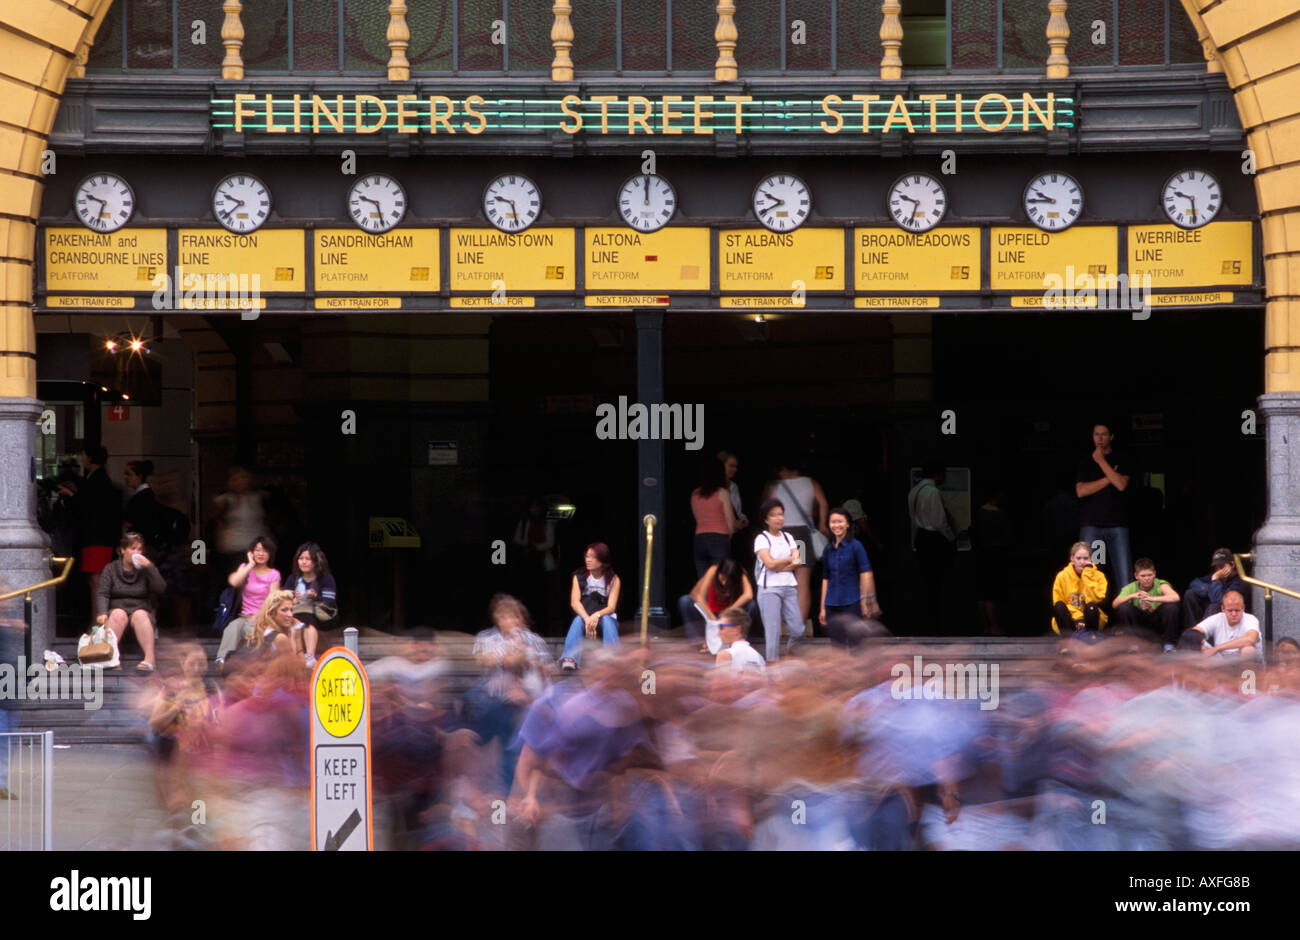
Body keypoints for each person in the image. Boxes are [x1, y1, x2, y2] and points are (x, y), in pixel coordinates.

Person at [467, 594, 555, 791]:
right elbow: (483, 662)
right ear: (497, 619)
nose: (511, 621)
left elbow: (549, 671)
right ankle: (505, 790)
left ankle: (521, 791)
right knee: (499, 721)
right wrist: (508, 653)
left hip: (529, 699)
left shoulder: (533, 640)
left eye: (515, 617)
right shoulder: (486, 638)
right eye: (505, 617)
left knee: (527, 734)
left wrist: (532, 660)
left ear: (522, 618)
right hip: (496, 698)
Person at [762, 461, 828, 626]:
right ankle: (798, 625)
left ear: (783, 467)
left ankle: (779, 624)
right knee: (803, 582)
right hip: (801, 535)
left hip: (780, 534)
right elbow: (823, 503)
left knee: (777, 578)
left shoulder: (775, 485)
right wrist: (821, 525)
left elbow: (767, 508)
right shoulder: (811, 482)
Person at [63, 444, 122, 614]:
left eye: (83, 456)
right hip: (97, 538)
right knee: (95, 580)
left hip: (97, 538)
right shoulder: (97, 479)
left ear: (90, 458)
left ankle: (98, 620)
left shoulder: (98, 480)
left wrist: (72, 496)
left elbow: (90, 506)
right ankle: (97, 619)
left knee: (97, 580)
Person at [96, 531, 165, 670]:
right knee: (118, 614)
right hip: (117, 609)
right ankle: (111, 658)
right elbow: (103, 593)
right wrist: (102, 612)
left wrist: (150, 567)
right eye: (133, 548)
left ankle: (150, 659)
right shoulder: (111, 569)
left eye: (139, 549)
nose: (137, 552)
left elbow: (160, 588)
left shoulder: (145, 570)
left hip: (140, 609)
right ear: (123, 550)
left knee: (140, 615)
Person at [1075, 423, 1131, 591]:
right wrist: (1109, 478)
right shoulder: (1085, 461)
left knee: (1124, 576)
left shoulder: (1121, 458)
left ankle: (1125, 614)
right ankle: (1094, 614)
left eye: (1104, 434)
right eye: (1096, 434)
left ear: (1111, 437)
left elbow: (1121, 485)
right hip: (1093, 526)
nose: (1099, 438)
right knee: (1091, 574)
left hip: (1117, 526)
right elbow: (1081, 491)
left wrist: (1100, 461)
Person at [215, 536, 281, 667]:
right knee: (232, 628)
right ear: (251, 552)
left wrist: (258, 616)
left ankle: (251, 663)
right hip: (244, 616)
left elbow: (273, 600)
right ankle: (221, 659)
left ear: (270, 554)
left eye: (264, 551)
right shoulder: (245, 567)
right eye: (257, 550)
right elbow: (234, 581)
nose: (261, 554)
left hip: (263, 617)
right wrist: (250, 565)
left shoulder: (274, 574)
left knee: (251, 630)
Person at [820, 507, 880, 648]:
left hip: (852, 602)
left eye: (840, 521)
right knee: (836, 647)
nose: (836, 525)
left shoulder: (856, 546)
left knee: (856, 645)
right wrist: (822, 607)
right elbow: (825, 579)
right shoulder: (828, 549)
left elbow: (866, 573)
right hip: (831, 604)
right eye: (833, 522)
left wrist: (866, 601)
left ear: (847, 524)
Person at [907, 461, 956, 635]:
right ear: (938, 474)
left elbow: (913, 519)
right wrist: (951, 537)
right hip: (934, 539)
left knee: (926, 582)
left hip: (921, 537)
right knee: (937, 582)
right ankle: (936, 624)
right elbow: (938, 521)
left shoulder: (914, 491)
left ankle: (926, 622)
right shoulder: (933, 492)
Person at [753, 498, 804, 663]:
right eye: (773, 515)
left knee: (798, 629)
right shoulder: (762, 538)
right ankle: (772, 666)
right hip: (769, 589)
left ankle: (790, 654)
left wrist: (778, 564)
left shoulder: (789, 536)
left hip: (789, 586)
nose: (779, 518)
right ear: (766, 519)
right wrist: (788, 559)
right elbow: (768, 563)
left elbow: (797, 563)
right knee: (773, 631)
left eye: (781, 514)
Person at [558, 543, 621, 672]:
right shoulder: (579, 576)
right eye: (586, 556)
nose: (588, 560)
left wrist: (596, 616)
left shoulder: (613, 579)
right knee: (577, 621)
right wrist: (587, 619)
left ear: (603, 559)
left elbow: (612, 607)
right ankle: (570, 658)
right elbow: (574, 602)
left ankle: (612, 657)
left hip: (604, 617)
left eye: (592, 557)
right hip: (585, 617)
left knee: (608, 621)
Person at [679, 558, 755, 649]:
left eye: (729, 580)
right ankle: (698, 641)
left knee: (751, 605)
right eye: (722, 578)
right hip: (711, 611)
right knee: (685, 601)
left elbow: (748, 595)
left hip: (729, 613)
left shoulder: (741, 574)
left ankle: (738, 640)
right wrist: (711, 616)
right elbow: (700, 597)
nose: (724, 583)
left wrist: (729, 611)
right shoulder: (713, 570)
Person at [284, 541, 337, 669]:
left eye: (308, 559)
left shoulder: (326, 578)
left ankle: (310, 656)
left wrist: (315, 596)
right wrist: (295, 598)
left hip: (321, 615)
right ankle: (293, 657)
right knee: (293, 621)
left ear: (316, 560)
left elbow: (329, 602)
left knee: (308, 618)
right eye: (301, 558)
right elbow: (284, 602)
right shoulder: (293, 579)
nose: (304, 562)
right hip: (297, 614)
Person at [1111, 558, 1182, 648]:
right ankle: (1132, 644)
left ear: (1154, 574)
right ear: (1136, 576)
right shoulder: (1131, 587)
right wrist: (1132, 595)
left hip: (1157, 621)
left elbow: (1176, 597)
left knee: (1171, 607)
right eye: (1143, 576)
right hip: (1140, 624)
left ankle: (1169, 644)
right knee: (1124, 608)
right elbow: (1115, 604)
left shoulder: (1160, 584)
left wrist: (1152, 598)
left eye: (1149, 575)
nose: (1147, 579)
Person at [690, 459, 737, 578]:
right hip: (719, 539)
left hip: (699, 539)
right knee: (721, 580)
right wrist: (728, 536)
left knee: (703, 580)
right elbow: (730, 521)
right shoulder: (722, 492)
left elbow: (697, 518)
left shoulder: (695, 494)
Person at [1182, 548, 1249, 630]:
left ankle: (1203, 635)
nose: (1218, 570)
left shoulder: (1239, 582)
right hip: (1208, 611)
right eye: (1216, 567)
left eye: (1221, 566)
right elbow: (1194, 583)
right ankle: (1193, 631)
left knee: (1214, 606)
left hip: (1227, 617)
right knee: (1190, 594)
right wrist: (1209, 589)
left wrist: (1215, 581)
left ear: (1232, 565)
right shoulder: (1217, 575)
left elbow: (1218, 600)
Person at [1050, 541, 1108, 634]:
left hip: (1090, 619)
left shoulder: (1099, 576)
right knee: (1059, 606)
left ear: (1091, 559)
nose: (1082, 562)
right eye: (1078, 558)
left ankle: (1091, 640)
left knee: (1091, 607)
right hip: (1071, 619)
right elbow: (1058, 602)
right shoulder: (1062, 576)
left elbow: (1096, 600)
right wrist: (1078, 619)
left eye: (1085, 558)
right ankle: (1068, 642)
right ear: (1072, 558)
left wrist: (1087, 575)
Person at [1189, 591, 1261, 659]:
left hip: (1248, 665)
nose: (1234, 614)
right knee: (1197, 643)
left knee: (1248, 650)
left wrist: (1216, 648)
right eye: (1230, 610)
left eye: (1237, 610)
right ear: (1223, 608)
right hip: (1221, 663)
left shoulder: (1250, 619)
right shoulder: (1217, 618)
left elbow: (1251, 639)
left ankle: (1245, 672)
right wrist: (1201, 644)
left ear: (1243, 608)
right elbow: (1193, 633)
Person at [122, 460, 160, 554]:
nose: (125, 477)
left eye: (129, 474)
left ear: (139, 476)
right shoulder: (148, 495)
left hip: (141, 546)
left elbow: (129, 522)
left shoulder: (140, 497)